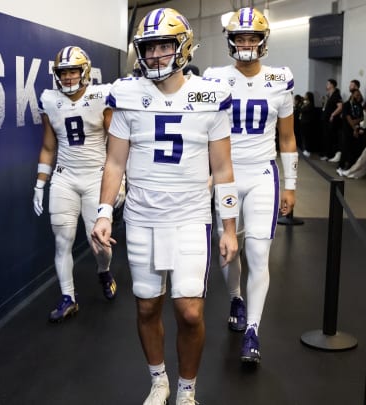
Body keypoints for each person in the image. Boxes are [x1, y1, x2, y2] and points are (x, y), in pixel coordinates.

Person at [91, 8, 238, 404]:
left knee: (190, 312)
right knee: (146, 308)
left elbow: (223, 168)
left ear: (183, 47)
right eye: (149, 47)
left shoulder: (209, 96)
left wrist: (228, 226)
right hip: (141, 217)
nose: (155, 55)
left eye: (164, 46)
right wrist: (105, 211)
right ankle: (159, 381)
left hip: (190, 217)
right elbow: (115, 162)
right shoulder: (127, 95)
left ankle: (187, 389)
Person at [204, 7, 298, 364]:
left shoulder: (280, 80)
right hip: (225, 175)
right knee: (229, 250)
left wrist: (290, 186)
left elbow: (287, 139)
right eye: (240, 38)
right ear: (230, 42)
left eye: (252, 37)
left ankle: (253, 330)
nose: (246, 44)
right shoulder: (214, 79)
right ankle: (235, 297)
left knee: (259, 253)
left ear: (263, 41)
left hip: (261, 174)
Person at [33, 45, 123, 323]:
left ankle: (103, 271)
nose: (69, 77)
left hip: (96, 175)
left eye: (73, 71)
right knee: (63, 241)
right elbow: (49, 146)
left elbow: (117, 142)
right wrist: (40, 182)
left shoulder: (101, 97)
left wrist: (121, 180)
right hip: (64, 176)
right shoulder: (49, 100)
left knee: (98, 243)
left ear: (85, 72)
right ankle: (68, 297)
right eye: (63, 72)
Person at [336, 88, 364, 175]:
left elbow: (362, 117)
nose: (358, 96)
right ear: (352, 95)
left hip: (356, 129)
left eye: (359, 95)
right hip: (347, 130)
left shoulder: (359, 105)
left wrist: (356, 124)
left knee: (353, 149)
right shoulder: (346, 105)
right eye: (357, 95)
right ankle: (340, 166)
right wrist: (354, 127)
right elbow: (348, 119)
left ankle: (350, 167)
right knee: (345, 148)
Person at [321, 79, 343, 162]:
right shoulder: (329, 95)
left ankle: (332, 155)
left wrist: (333, 114)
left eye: (328, 84)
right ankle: (327, 154)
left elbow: (340, 107)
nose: (326, 85)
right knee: (326, 137)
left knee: (331, 137)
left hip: (332, 120)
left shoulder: (336, 95)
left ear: (332, 85)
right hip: (326, 119)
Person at [300, 91, 319, 157]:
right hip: (303, 122)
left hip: (307, 123)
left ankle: (307, 150)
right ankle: (304, 148)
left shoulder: (310, 105)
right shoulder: (305, 103)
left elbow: (303, 110)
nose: (304, 96)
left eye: (306, 95)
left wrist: (303, 106)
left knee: (307, 137)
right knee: (303, 136)